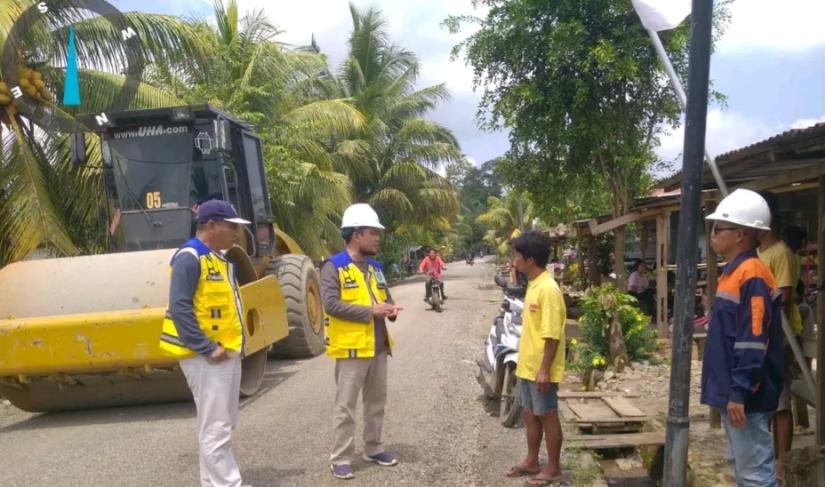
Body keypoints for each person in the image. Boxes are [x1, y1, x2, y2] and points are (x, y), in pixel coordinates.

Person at [159, 199, 251, 487]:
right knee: (217, 426)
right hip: (206, 357)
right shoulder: (190, 257)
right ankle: (228, 484)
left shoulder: (217, 258)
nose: (237, 233)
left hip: (225, 352)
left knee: (221, 423)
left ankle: (212, 483)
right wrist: (207, 347)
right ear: (211, 225)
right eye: (232, 227)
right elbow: (180, 307)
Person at [702, 189, 784, 487]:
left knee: (754, 475)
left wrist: (740, 391)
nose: (712, 234)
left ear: (739, 235)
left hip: (746, 396)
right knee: (744, 468)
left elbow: (753, 339)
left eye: (718, 228)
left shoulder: (752, 274)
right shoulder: (736, 273)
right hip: (735, 392)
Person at [321, 203, 403, 480]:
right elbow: (331, 304)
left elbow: (385, 298)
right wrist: (371, 311)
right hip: (351, 348)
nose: (378, 238)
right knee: (346, 406)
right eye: (372, 232)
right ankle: (341, 458)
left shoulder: (376, 267)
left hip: (378, 347)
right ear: (356, 235)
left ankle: (373, 447)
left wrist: (389, 309)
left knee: (376, 402)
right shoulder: (334, 267)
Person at [504, 231, 567, 486]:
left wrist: (544, 369)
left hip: (541, 368)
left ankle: (553, 468)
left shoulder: (549, 289)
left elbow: (551, 335)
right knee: (530, 415)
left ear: (530, 259)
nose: (514, 259)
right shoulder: (534, 284)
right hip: (527, 366)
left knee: (547, 415)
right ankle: (532, 461)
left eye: (518, 255)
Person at [756, 191, 803, 478]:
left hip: (779, 338)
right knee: (763, 401)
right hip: (760, 336)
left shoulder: (781, 254)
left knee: (781, 402)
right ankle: (766, 456)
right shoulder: (759, 254)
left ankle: (782, 463)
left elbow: (783, 298)